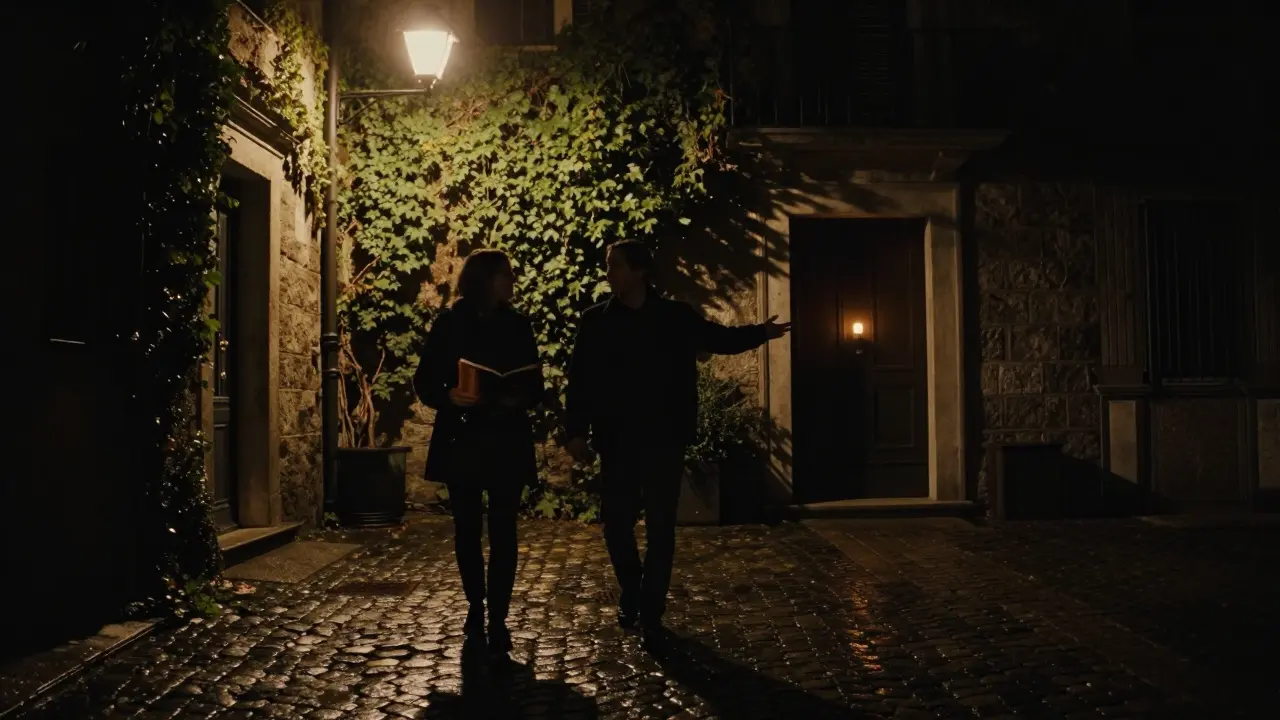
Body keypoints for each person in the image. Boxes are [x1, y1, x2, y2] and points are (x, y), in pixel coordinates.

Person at [562, 240, 790, 648]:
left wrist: (762, 333)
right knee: (616, 526)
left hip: (664, 438)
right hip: (617, 439)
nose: (608, 272)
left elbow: (718, 338)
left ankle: (651, 610)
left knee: (662, 529)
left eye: (614, 265)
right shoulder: (596, 321)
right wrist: (576, 430)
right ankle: (632, 589)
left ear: (639, 271)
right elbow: (581, 379)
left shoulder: (674, 317)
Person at [414, 249, 544, 658]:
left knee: (504, 531)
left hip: (506, 437)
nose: (512, 282)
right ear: (485, 279)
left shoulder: (518, 325)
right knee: (468, 530)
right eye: (506, 275)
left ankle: (499, 614)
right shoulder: (450, 323)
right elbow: (425, 380)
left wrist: (516, 395)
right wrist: (450, 396)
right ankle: (476, 605)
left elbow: (534, 384)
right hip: (464, 436)